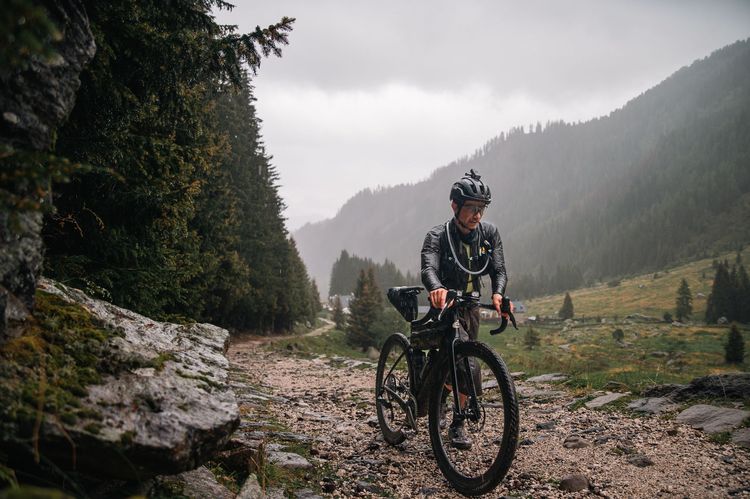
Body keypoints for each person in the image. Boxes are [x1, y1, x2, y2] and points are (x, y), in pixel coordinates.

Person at [420, 168, 509, 449]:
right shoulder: (437, 235)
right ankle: (450, 414)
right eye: (471, 208)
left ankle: (453, 418)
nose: (477, 215)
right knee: (461, 363)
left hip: (470, 307)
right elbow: (428, 267)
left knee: (462, 360)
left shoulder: (489, 234)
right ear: (455, 206)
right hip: (444, 304)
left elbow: (499, 269)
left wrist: (497, 293)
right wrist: (436, 288)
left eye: (481, 208)